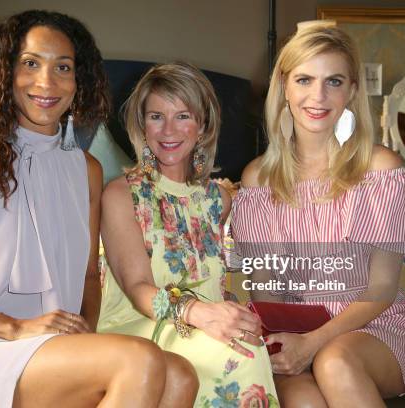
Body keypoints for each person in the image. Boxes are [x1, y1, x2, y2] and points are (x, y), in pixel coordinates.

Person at [0, 10, 197, 407]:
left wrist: (86, 337)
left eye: (63, 67)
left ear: (78, 79)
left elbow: (88, 276)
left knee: (180, 375)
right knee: (139, 360)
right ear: (4, 73)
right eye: (30, 63)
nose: (46, 82)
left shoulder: (86, 170)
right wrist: (13, 327)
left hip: (54, 349)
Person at [231, 22, 405, 407]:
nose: (318, 96)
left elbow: (382, 289)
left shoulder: (379, 168)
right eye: (304, 79)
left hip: (378, 329)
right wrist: (289, 344)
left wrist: (315, 343)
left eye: (334, 81)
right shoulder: (257, 179)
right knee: (303, 399)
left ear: (352, 90)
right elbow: (265, 286)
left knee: (335, 362)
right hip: (295, 330)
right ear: (285, 87)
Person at [98, 62, 278, 407]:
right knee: (237, 357)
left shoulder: (217, 199)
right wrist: (199, 313)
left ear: (203, 125)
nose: (168, 130)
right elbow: (138, 290)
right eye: (156, 116)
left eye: (183, 116)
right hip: (139, 325)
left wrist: (231, 311)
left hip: (206, 323)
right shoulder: (121, 195)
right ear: (141, 123)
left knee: (251, 346)